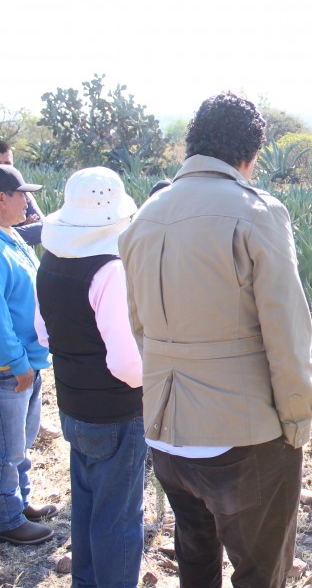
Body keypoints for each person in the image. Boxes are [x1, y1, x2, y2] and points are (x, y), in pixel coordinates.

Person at [119, 92, 312, 588]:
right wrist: (296, 420)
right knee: (261, 571)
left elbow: (139, 325)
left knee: (196, 560)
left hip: (165, 431)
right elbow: (286, 333)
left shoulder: (144, 216)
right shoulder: (256, 212)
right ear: (250, 155)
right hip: (241, 436)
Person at [35, 167, 145, 586]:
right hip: (116, 413)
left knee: (85, 508)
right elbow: (125, 363)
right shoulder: (109, 270)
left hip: (71, 404)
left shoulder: (52, 261)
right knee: (118, 518)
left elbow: (43, 332)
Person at [0, 165, 55, 545]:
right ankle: (7, 517)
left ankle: (20, 502)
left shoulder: (11, 237)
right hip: (10, 367)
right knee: (6, 445)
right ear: (1, 198)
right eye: (22, 194)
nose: (28, 200)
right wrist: (17, 362)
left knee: (22, 438)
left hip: (28, 362)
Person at [0, 141, 44, 247]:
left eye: (7, 164)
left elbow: (43, 228)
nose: (2, 168)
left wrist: (12, 231)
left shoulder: (20, 193)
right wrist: (24, 230)